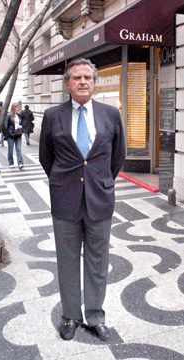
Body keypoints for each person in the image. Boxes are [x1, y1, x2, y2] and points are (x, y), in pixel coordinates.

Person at [39, 58, 125, 342]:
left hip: (99, 199)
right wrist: (62, 181)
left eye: (88, 77)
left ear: (95, 82)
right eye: (76, 78)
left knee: (98, 261)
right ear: (68, 83)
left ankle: (96, 316)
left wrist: (102, 181)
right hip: (65, 200)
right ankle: (71, 316)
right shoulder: (53, 115)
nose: (83, 82)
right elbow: (46, 157)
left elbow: (117, 156)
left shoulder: (110, 114)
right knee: (66, 261)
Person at [5, 103, 24, 169]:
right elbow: (6, 125)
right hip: (11, 134)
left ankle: (20, 163)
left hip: (18, 133)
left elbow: (21, 123)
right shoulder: (9, 115)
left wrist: (21, 127)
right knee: (10, 149)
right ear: (14, 107)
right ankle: (11, 162)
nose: (19, 108)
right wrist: (7, 134)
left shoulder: (19, 115)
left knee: (18, 149)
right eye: (18, 107)